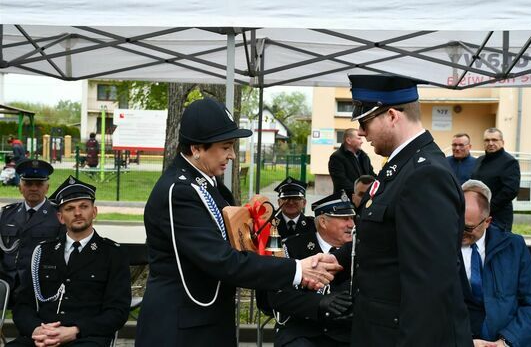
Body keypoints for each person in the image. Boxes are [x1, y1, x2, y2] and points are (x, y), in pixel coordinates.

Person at [135, 97, 341, 347]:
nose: (232, 155)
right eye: (225, 146)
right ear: (196, 148)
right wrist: (297, 270)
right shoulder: (178, 191)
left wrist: (292, 265)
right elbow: (222, 260)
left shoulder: (211, 186)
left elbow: (240, 249)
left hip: (209, 318)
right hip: (181, 326)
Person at [330, 75, 472, 346]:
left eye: (365, 122)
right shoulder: (401, 167)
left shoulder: (425, 175)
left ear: (392, 115)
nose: (361, 132)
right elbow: (387, 242)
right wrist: (336, 259)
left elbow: (429, 286)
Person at [7, 175, 131, 347]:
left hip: (86, 337)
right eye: (70, 208)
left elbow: (117, 311)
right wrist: (36, 330)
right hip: (43, 335)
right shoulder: (43, 252)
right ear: (60, 217)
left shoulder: (112, 254)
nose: (78, 213)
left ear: (94, 212)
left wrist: (75, 331)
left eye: (84, 207)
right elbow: (23, 304)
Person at [460, 179, 531, 347]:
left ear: (487, 222)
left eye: (468, 228)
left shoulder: (514, 247)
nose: (460, 232)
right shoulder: (441, 248)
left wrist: (507, 341)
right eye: (457, 223)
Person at [268, 191, 355, 347]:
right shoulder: (292, 247)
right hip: (303, 331)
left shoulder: (358, 251)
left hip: (347, 333)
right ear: (323, 222)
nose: (352, 224)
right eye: (344, 219)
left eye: (352, 218)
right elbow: (279, 296)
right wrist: (319, 303)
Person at [0, 159, 63, 300]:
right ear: (20, 187)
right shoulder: (6, 214)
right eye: (28, 184)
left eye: (39, 184)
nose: (34, 188)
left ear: (47, 188)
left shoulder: (59, 215)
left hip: (40, 284)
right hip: (6, 282)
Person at [471, 128, 520, 231]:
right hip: (478, 215)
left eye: (494, 140)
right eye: (487, 140)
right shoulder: (479, 160)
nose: (490, 143)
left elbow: (510, 191)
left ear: (502, 142)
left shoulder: (509, 162)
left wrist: (488, 208)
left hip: (499, 218)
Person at [328, 128, 376, 196]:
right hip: (346, 202)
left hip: (364, 200)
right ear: (348, 140)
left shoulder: (364, 156)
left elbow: (371, 175)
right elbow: (341, 182)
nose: (362, 141)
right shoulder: (336, 157)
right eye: (359, 138)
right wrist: (361, 193)